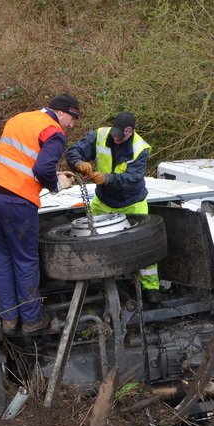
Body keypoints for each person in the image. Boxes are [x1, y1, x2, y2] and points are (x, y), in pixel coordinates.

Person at [0, 94, 80, 334]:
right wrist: (56, 184)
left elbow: (18, 158)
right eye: (72, 119)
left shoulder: (19, 119)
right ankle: (32, 320)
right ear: (61, 112)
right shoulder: (54, 131)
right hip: (15, 201)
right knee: (25, 260)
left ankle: (9, 321)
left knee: (1, 259)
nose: (71, 125)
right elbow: (41, 168)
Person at [65, 111, 161, 304]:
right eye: (114, 134)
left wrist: (108, 178)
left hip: (132, 203)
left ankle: (150, 288)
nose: (115, 138)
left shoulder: (139, 148)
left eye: (119, 136)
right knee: (91, 240)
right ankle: (98, 284)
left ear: (129, 131)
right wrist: (78, 162)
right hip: (104, 201)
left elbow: (133, 179)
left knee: (144, 246)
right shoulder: (100, 135)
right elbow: (74, 150)